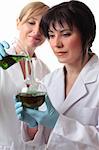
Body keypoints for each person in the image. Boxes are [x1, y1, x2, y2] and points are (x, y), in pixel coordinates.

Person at [15, 0, 99, 150]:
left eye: (65, 34)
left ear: (87, 35)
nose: (56, 43)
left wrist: (58, 122)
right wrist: (32, 125)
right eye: (51, 35)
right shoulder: (49, 80)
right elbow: (43, 141)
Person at [0, 1, 50, 150]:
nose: (37, 31)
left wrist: (33, 125)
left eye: (43, 27)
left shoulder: (45, 71)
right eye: (31, 22)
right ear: (18, 23)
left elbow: (42, 125)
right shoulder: (2, 59)